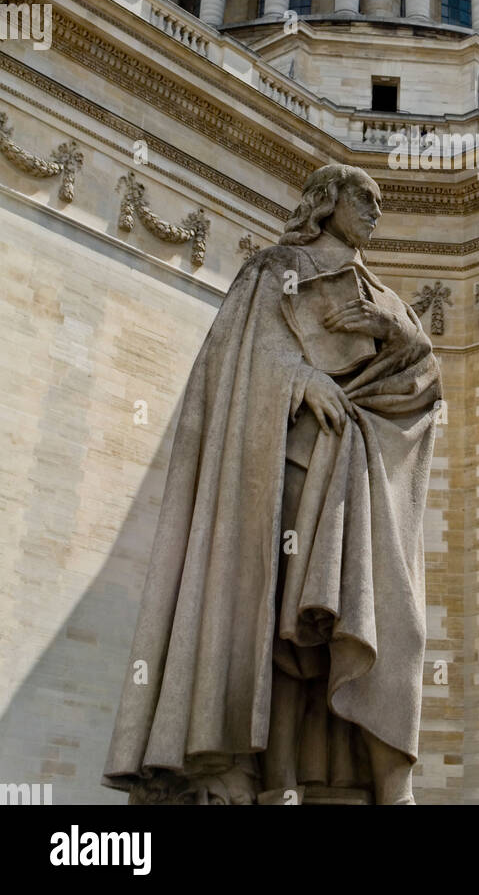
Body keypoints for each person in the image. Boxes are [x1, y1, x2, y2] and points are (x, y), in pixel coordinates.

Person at [103, 164, 442, 805]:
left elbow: (425, 382)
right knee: (284, 629)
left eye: (379, 202)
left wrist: (396, 331)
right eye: (363, 198)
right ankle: (273, 777)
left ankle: (375, 781)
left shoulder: (389, 302)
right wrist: (298, 378)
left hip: (359, 492)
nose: (376, 211)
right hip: (284, 472)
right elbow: (241, 352)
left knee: (384, 625)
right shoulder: (273, 268)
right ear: (326, 202)